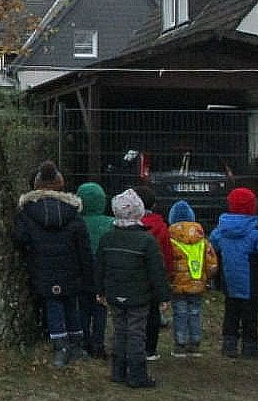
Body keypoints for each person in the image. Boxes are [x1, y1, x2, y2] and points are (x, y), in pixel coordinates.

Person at [13, 161, 92, 367]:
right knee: (71, 304)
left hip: (42, 268)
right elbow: (83, 245)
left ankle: (60, 346)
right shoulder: (73, 212)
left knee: (53, 305)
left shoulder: (27, 213)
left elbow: (20, 239)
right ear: (60, 183)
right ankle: (77, 344)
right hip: (71, 268)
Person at [95, 189, 170, 388]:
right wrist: (163, 296)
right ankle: (137, 375)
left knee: (119, 331)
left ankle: (118, 371)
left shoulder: (107, 239)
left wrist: (100, 290)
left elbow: (100, 267)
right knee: (136, 334)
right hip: (139, 297)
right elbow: (157, 271)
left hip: (114, 294)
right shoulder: (147, 241)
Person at [210, 187, 258, 359]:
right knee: (251, 316)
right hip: (252, 283)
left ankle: (229, 344)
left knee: (231, 312)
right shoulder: (257, 234)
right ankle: (250, 346)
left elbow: (211, 249)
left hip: (229, 281)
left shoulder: (221, 231)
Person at [166, 200, 218, 358]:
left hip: (178, 285)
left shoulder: (171, 240)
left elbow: (167, 262)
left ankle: (180, 343)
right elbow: (212, 264)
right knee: (195, 312)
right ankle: (195, 343)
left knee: (179, 312)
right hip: (197, 284)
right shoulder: (203, 240)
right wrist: (207, 278)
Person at [133, 184, 172, 362]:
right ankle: (150, 349)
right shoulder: (162, 227)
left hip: (135, 275)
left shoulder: (130, 226)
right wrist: (167, 275)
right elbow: (167, 253)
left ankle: (135, 345)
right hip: (155, 276)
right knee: (153, 313)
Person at [76, 182, 114, 359]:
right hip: (103, 274)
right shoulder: (110, 224)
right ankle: (98, 343)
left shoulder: (76, 222)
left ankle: (84, 341)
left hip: (81, 273)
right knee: (100, 309)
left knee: (82, 309)